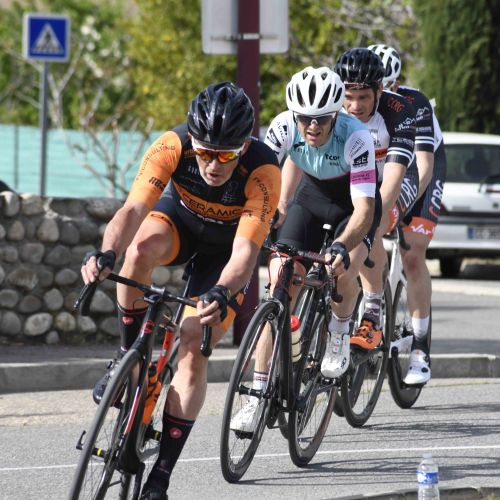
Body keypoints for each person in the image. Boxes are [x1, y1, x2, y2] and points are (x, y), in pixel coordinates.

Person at [80, 82, 281, 499]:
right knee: (139, 251)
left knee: (192, 345)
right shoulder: (173, 144)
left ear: (244, 147)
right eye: (205, 152)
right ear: (193, 141)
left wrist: (222, 292)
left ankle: (161, 477)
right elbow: (133, 209)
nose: (213, 164)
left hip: (225, 253)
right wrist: (106, 253)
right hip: (180, 224)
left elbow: (245, 251)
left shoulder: (263, 170)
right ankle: (127, 358)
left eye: (226, 155)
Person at [230, 66, 380, 433]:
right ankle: (258, 394)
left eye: (322, 120)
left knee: (343, 268)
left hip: (352, 206)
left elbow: (364, 209)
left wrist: (343, 245)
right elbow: (261, 179)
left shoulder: (356, 136)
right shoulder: (283, 126)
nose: (312, 127)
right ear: (294, 115)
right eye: (305, 119)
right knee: (280, 286)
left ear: (335, 116)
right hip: (310, 198)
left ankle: (339, 332)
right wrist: (269, 214)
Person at [368, 44, 447, 384]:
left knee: (412, 255)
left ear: (396, 83)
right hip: (384, 165)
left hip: (421, 168)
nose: (380, 95)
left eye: (387, 86)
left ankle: (420, 347)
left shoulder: (415, 103)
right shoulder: (355, 102)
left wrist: (399, 206)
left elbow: (424, 168)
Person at [334, 47, 419, 361]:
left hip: (395, 178)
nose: (355, 106)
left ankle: (372, 311)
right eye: (348, 97)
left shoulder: (398, 112)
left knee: (371, 224)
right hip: (358, 179)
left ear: (379, 90)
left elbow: (391, 182)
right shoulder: (333, 108)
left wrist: (368, 221)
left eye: (363, 97)